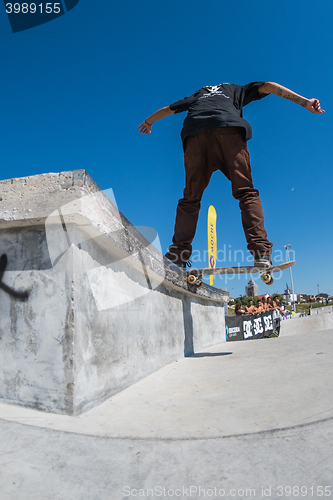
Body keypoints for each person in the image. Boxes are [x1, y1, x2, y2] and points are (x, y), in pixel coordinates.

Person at [138, 81, 324, 269]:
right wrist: (304, 102)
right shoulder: (237, 90)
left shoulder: (197, 96)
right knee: (246, 192)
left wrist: (148, 121)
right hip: (228, 131)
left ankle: (177, 256)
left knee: (190, 199)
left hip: (196, 137)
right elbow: (269, 86)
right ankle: (261, 254)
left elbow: (168, 109)